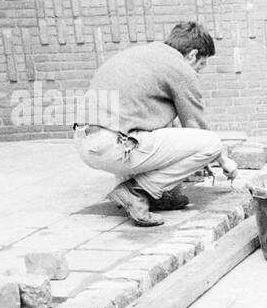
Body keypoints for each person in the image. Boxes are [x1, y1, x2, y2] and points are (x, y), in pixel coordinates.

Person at [75, 21, 234, 227]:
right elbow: (196, 127)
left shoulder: (144, 55)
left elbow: (171, 128)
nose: (200, 71)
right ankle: (135, 192)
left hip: (87, 142)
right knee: (211, 143)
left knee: (160, 128)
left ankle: (156, 195)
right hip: (114, 145)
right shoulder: (180, 69)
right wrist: (224, 161)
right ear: (193, 54)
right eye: (202, 64)